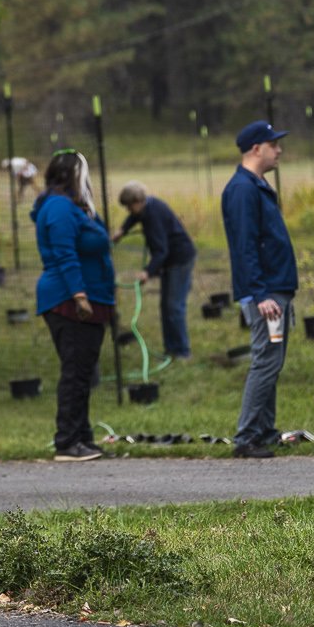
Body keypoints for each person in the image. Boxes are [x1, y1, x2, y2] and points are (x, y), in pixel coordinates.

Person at [222, 120, 296, 459]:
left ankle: (265, 430)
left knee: (273, 360)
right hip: (265, 293)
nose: (278, 150)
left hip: (275, 289)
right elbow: (244, 245)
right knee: (265, 360)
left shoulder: (256, 185)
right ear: (256, 149)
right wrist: (260, 293)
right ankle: (247, 436)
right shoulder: (243, 189)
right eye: (273, 144)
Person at [35, 151, 115, 463]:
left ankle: (82, 436)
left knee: (83, 371)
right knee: (76, 371)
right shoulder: (59, 207)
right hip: (69, 301)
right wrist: (80, 295)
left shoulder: (73, 207)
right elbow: (64, 253)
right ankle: (67, 440)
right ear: (72, 175)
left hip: (90, 299)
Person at [114, 181, 195, 366]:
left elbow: (161, 251)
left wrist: (147, 272)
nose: (128, 210)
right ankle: (171, 348)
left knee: (174, 306)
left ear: (137, 201)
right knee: (165, 306)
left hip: (179, 259)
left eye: (128, 206)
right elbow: (134, 217)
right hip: (170, 261)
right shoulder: (146, 206)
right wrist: (122, 230)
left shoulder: (152, 216)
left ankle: (183, 351)